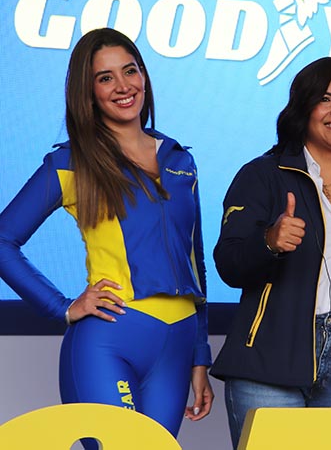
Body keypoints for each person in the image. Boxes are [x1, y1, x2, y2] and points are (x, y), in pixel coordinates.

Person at [0, 28, 214, 447]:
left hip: (177, 344)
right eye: (105, 78)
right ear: (89, 91)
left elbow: (196, 262)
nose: (123, 86)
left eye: (130, 71)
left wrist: (200, 356)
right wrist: (61, 307)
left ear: (144, 77)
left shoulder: (180, 159)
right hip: (110, 340)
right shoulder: (71, 162)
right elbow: (3, 240)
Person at [211, 56, 331, 448]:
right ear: (302, 109)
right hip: (268, 358)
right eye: (325, 99)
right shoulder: (263, 174)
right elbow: (228, 262)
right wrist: (269, 242)